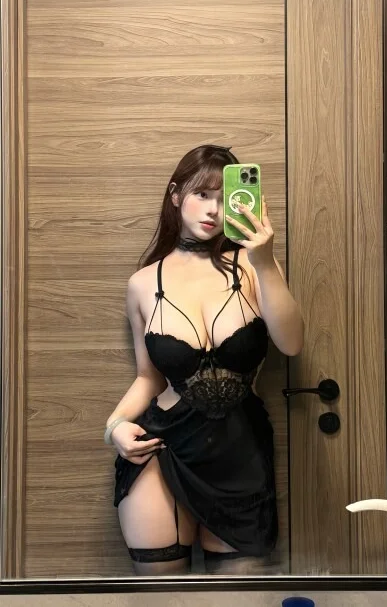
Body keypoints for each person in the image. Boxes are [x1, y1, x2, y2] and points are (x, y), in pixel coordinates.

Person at [105, 144, 304, 576]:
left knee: (238, 597)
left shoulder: (254, 267)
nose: (213, 209)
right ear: (176, 195)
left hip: (240, 453)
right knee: (162, 597)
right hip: (163, 448)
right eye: (201, 194)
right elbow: (148, 377)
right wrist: (115, 426)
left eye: (224, 196)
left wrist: (265, 261)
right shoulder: (143, 283)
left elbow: (291, 344)